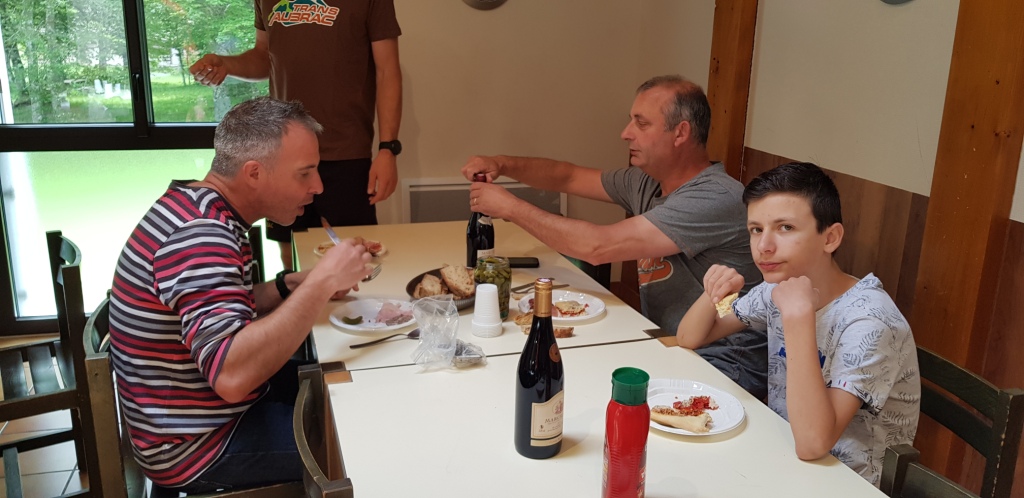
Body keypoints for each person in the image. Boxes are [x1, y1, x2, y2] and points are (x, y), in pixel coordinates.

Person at [107, 97, 373, 492]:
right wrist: (320, 284)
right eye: (305, 173)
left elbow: (223, 306)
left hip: (195, 415)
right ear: (254, 173)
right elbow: (231, 375)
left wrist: (289, 286)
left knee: (348, 382)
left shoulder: (193, 205)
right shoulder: (202, 236)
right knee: (363, 439)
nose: (317, 187)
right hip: (198, 445)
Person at [462, 75, 768, 398]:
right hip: (672, 343)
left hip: (725, 360)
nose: (626, 133)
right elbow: (568, 176)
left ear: (681, 133)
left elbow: (597, 247)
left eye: (641, 123)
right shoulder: (647, 181)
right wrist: (501, 164)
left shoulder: (715, 196)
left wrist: (510, 208)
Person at [676, 162, 920, 485]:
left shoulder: (869, 321)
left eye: (786, 228)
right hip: (782, 454)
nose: (764, 246)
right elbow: (689, 337)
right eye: (756, 229)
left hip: (845, 481)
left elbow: (813, 444)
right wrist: (714, 292)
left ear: (830, 238)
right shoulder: (779, 288)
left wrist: (797, 319)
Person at [189, 0, 403, 269]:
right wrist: (227, 64)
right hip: (281, 152)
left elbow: (387, 71)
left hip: (345, 150)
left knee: (355, 256)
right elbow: (264, 56)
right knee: (290, 253)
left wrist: (388, 148)